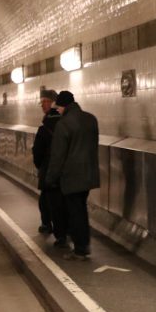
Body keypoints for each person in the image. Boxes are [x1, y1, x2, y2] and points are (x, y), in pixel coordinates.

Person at [43, 91, 99, 260]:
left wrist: (50, 178)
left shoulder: (64, 124)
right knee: (81, 209)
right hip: (89, 174)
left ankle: (81, 249)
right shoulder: (91, 119)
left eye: (58, 107)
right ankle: (84, 244)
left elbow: (58, 155)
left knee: (75, 212)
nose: (57, 111)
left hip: (71, 176)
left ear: (64, 106)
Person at [31, 89, 66, 243]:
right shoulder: (66, 123)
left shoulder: (45, 127)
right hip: (64, 170)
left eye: (45, 101)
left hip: (48, 170)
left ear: (53, 102)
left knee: (47, 199)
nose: (42, 105)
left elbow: (37, 152)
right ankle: (65, 230)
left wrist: (41, 166)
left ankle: (48, 225)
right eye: (42, 102)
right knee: (61, 201)